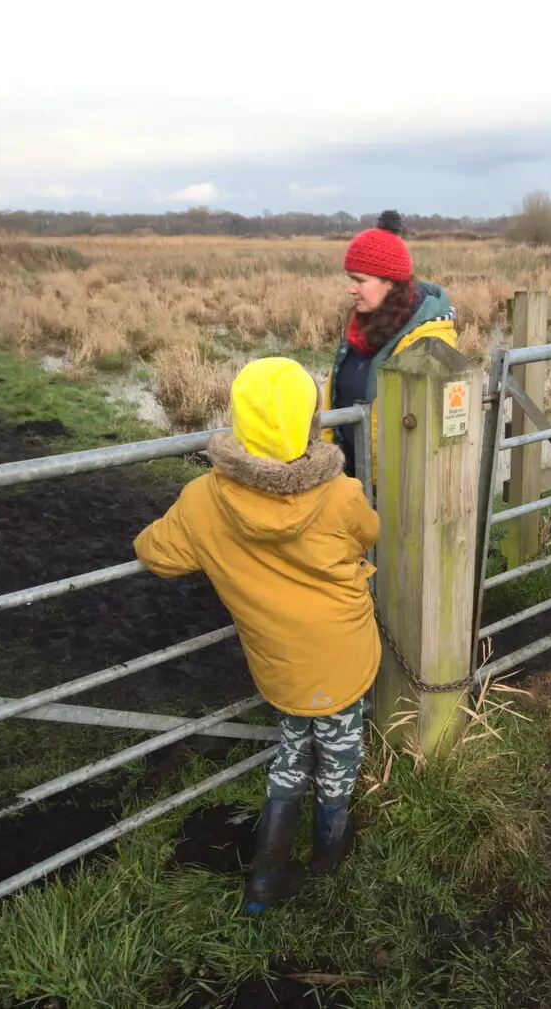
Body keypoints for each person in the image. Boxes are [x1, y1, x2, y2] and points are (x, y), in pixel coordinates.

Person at [134, 356, 380, 912]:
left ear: (240, 422)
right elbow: (369, 533)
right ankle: (328, 858)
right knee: (339, 753)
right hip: (342, 657)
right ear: (312, 421)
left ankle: (266, 878)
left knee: (293, 749)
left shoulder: (202, 500)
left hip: (279, 663)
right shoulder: (339, 494)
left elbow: (154, 552)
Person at [324, 210, 459, 476]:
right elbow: (334, 397)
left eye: (360, 280)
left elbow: (434, 434)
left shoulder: (428, 344)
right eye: (350, 279)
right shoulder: (362, 331)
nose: (351, 288)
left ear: (390, 283)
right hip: (348, 478)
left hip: (398, 489)